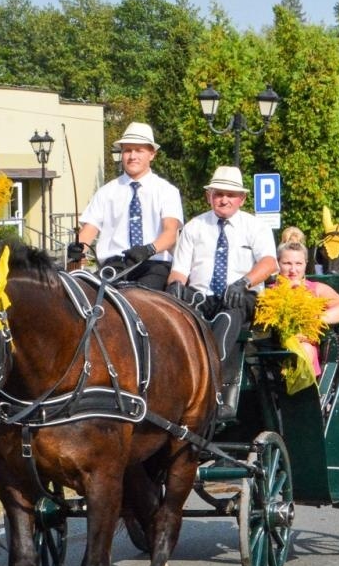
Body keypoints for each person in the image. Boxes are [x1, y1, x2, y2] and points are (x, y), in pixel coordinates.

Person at [167, 166, 279, 418]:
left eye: (230, 194)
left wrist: (244, 282)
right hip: (202, 295)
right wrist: (175, 286)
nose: (224, 200)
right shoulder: (195, 227)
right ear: (209, 196)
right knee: (176, 311)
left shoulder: (255, 226)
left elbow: (269, 263)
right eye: (218, 194)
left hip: (241, 295)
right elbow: (180, 270)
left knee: (229, 315)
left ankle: (216, 386)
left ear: (241, 199)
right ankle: (175, 381)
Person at [70, 122, 183, 290]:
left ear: (152, 154)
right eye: (128, 150)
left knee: (140, 300)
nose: (132, 156)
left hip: (152, 265)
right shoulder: (106, 192)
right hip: (114, 267)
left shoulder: (167, 191)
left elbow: (170, 233)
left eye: (139, 150)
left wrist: (148, 249)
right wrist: (77, 248)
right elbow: (89, 230)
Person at [273, 242, 339, 378]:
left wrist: (316, 320)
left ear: (306, 264)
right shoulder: (268, 292)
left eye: (298, 264)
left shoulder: (316, 288)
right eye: (287, 263)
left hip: (306, 347)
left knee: (304, 350)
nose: (293, 270)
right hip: (272, 350)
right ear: (278, 264)